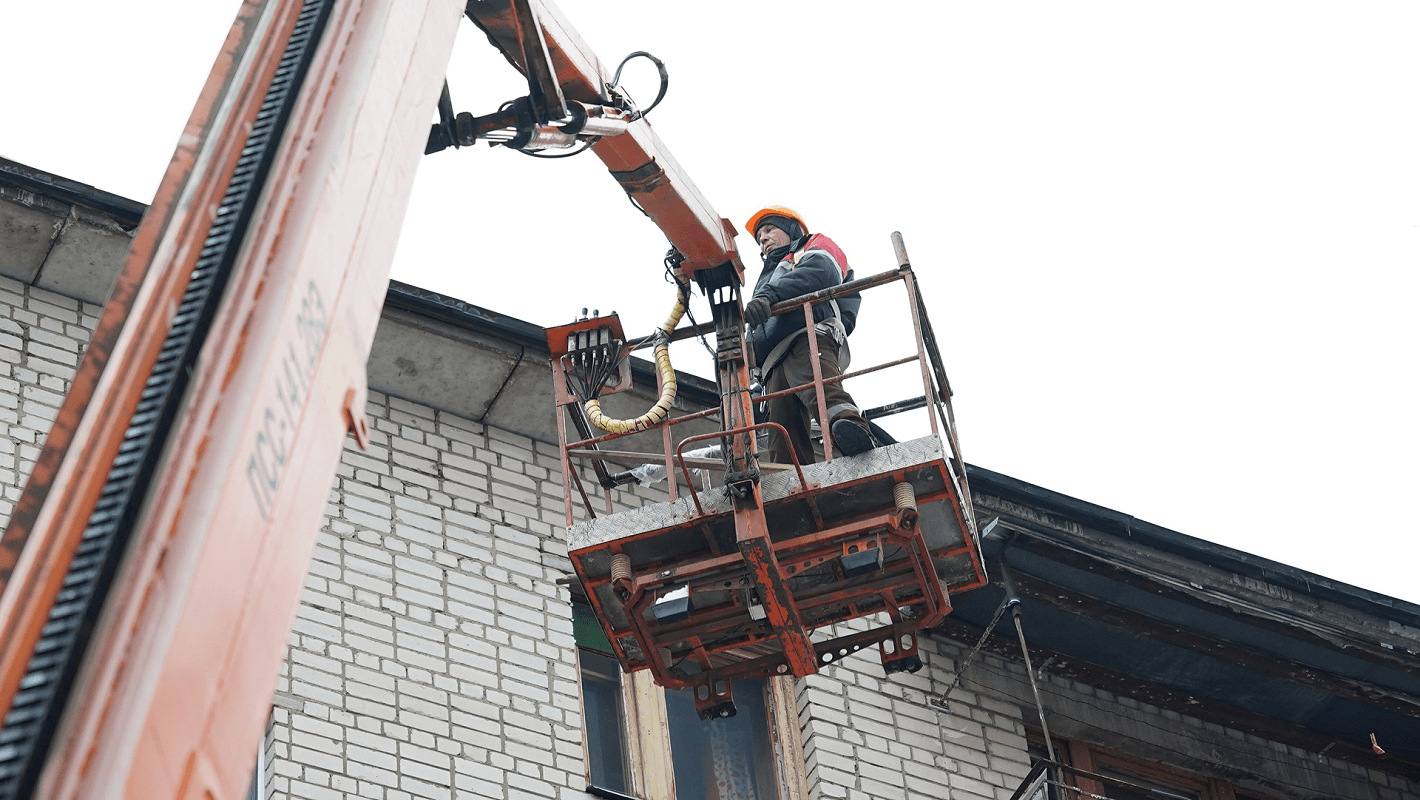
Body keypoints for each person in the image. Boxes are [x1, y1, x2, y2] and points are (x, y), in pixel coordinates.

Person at [742, 205, 875, 465]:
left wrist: (771, 295)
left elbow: (821, 271)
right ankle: (791, 482)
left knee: (819, 387)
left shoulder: (812, 245)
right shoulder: (767, 276)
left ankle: (852, 431)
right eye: (760, 237)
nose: (763, 239)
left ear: (792, 229)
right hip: (771, 362)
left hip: (807, 335)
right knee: (782, 433)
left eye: (769, 230)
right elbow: (755, 327)